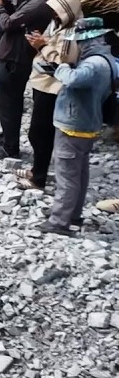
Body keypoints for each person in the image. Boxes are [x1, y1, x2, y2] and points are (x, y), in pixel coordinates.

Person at [37, 17, 116, 236]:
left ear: (87, 41)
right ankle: (72, 214)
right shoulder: (108, 60)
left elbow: (72, 79)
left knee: (67, 176)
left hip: (73, 125)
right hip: (88, 124)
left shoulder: (92, 64)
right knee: (79, 173)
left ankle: (59, 222)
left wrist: (61, 67)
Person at [16, 0, 83, 189]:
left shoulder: (72, 33)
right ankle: (37, 170)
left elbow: (63, 62)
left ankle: (38, 178)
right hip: (43, 84)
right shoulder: (60, 26)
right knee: (39, 132)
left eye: (57, 11)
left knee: (39, 132)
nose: (54, 14)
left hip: (52, 87)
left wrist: (42, 46)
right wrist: (44, 42)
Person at [0, 0, 56, 160]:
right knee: (7, 100)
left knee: (9, 101)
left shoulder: (38, 4)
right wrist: (3, 3)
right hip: (15, 55)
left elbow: (8, 24)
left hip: (15, 57)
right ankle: (6, 137)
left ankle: (10, 146)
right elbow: (16, 16)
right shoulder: (37, 0)